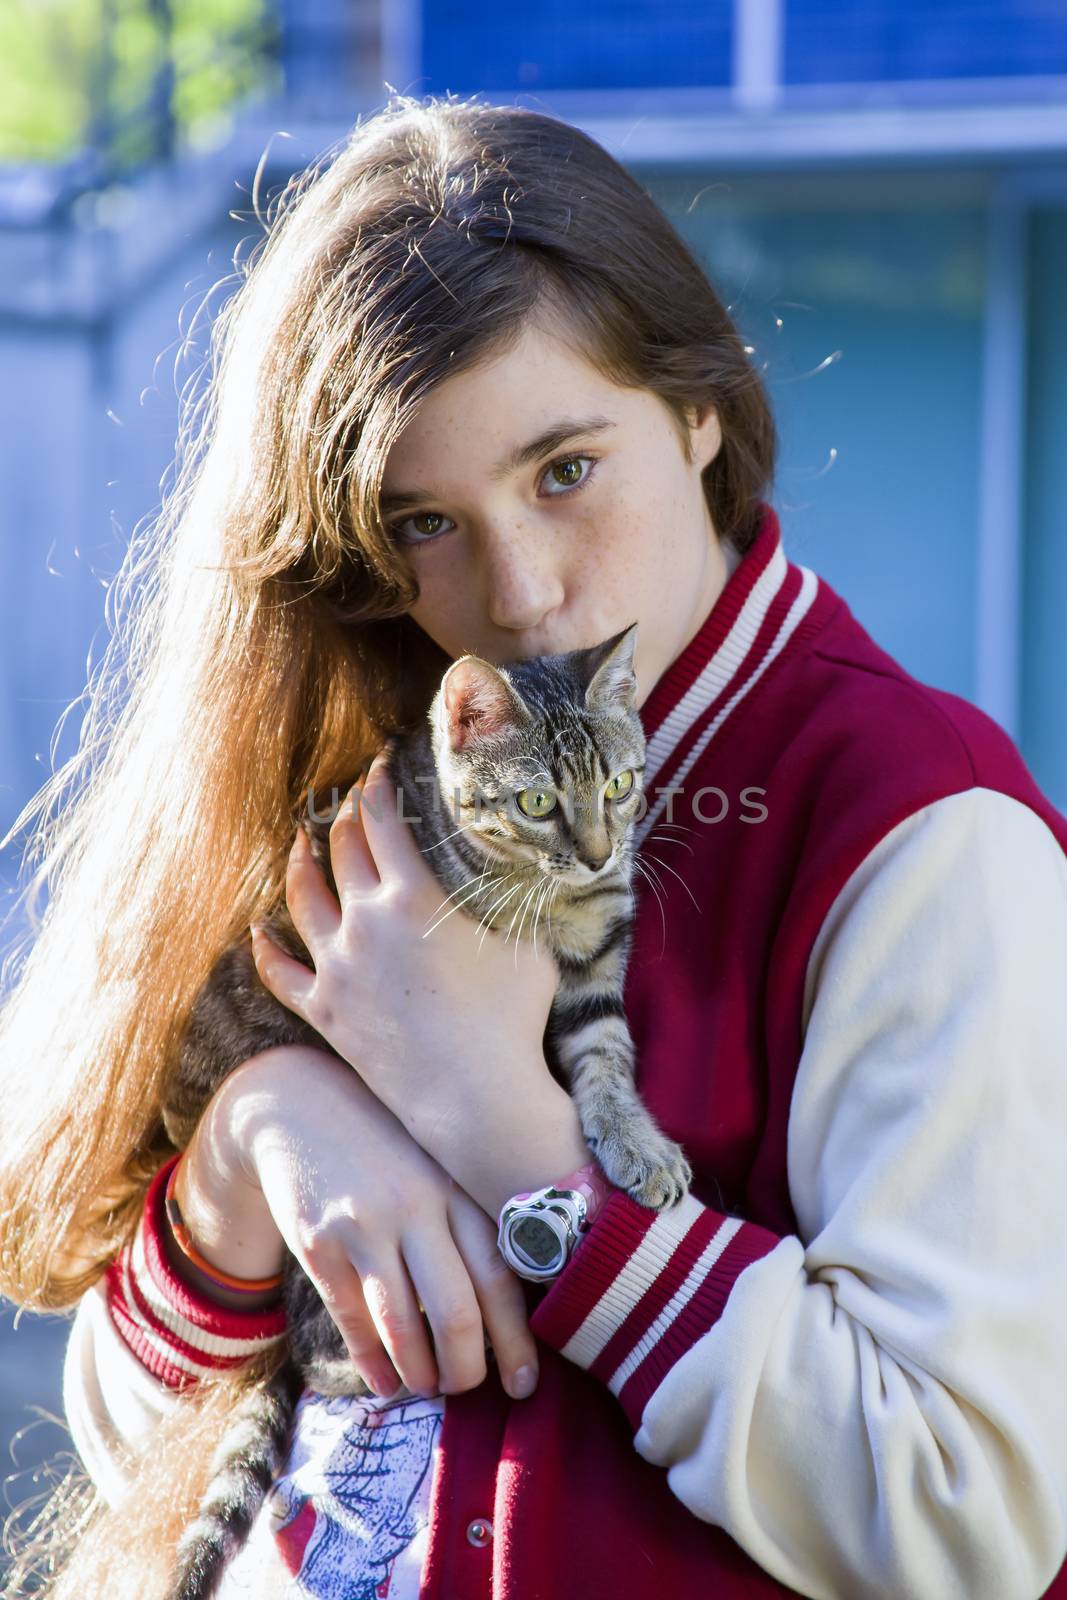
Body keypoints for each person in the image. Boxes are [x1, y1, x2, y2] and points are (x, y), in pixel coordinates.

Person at [2, 91, 1066, 1600]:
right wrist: (263, 1143)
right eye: (425, 521)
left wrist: (509, 1133)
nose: (520, 592)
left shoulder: (918, 826)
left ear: (702, 408)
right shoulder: (382, 768)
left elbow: (964, 1517)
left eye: (565, 470)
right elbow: (136, 1432)